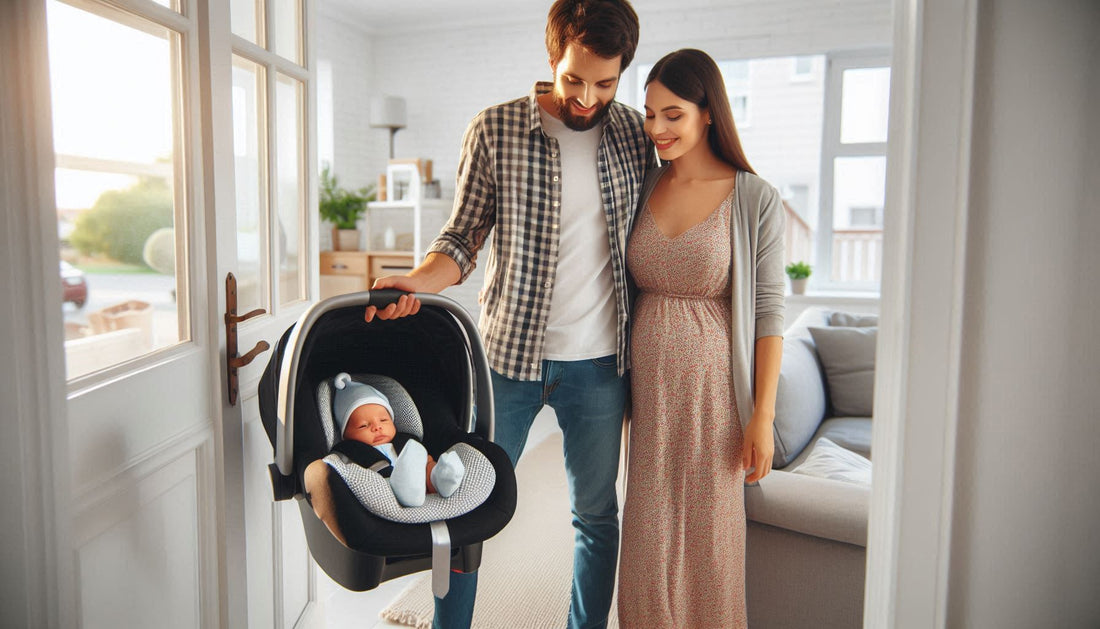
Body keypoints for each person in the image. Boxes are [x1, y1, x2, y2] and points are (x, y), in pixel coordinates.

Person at [363, 1, 652, 626]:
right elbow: (462, 239)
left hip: (602, 366)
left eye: (605, 83)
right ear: (554, 57)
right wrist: (415, 280)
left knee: (597, 516)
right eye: (575, 78)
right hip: (507, 362)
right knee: (465, 508)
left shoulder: (634, 134)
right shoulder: (494, 130)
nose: (586, 97)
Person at [616, 48, 785, 628]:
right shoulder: (643, 184)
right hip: (649, 394)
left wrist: (762, 414)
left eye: (672, 115)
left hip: (715, 394)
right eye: (649, 114)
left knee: (709, 538)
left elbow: (768, 313)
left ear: (708, 111)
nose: (656, 128)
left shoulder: (754, 197)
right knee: (647, 535)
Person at [304, 373, 466, 543]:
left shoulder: (405, 443)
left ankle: (442, 479)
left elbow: (423, 459)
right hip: (382, 491)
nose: (377, 427)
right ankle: (407, 489)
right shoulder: (348, 452)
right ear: (345, 434)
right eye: (363, 425)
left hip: (417, 479)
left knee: (426, 464)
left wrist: (429, 465)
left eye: (383, 420)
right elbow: (340, 474)